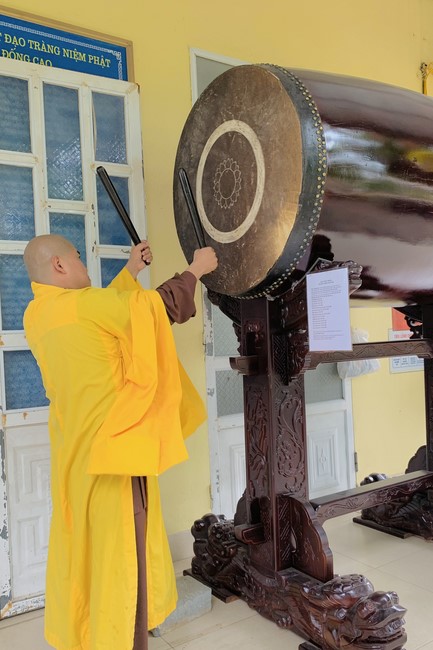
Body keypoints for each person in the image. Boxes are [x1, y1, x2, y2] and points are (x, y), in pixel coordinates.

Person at [23, 234, 218, 650]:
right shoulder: (83, 306)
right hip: (114, 457)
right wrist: (196, 270)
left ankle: (91, 636)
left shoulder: (37, 315)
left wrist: (130, 271)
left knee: (90, 556)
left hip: (76, 461)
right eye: (78, 258)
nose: (83, 265)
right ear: (59, 265)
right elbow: (149, 311)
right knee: (124, 562)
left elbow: (99, 321)